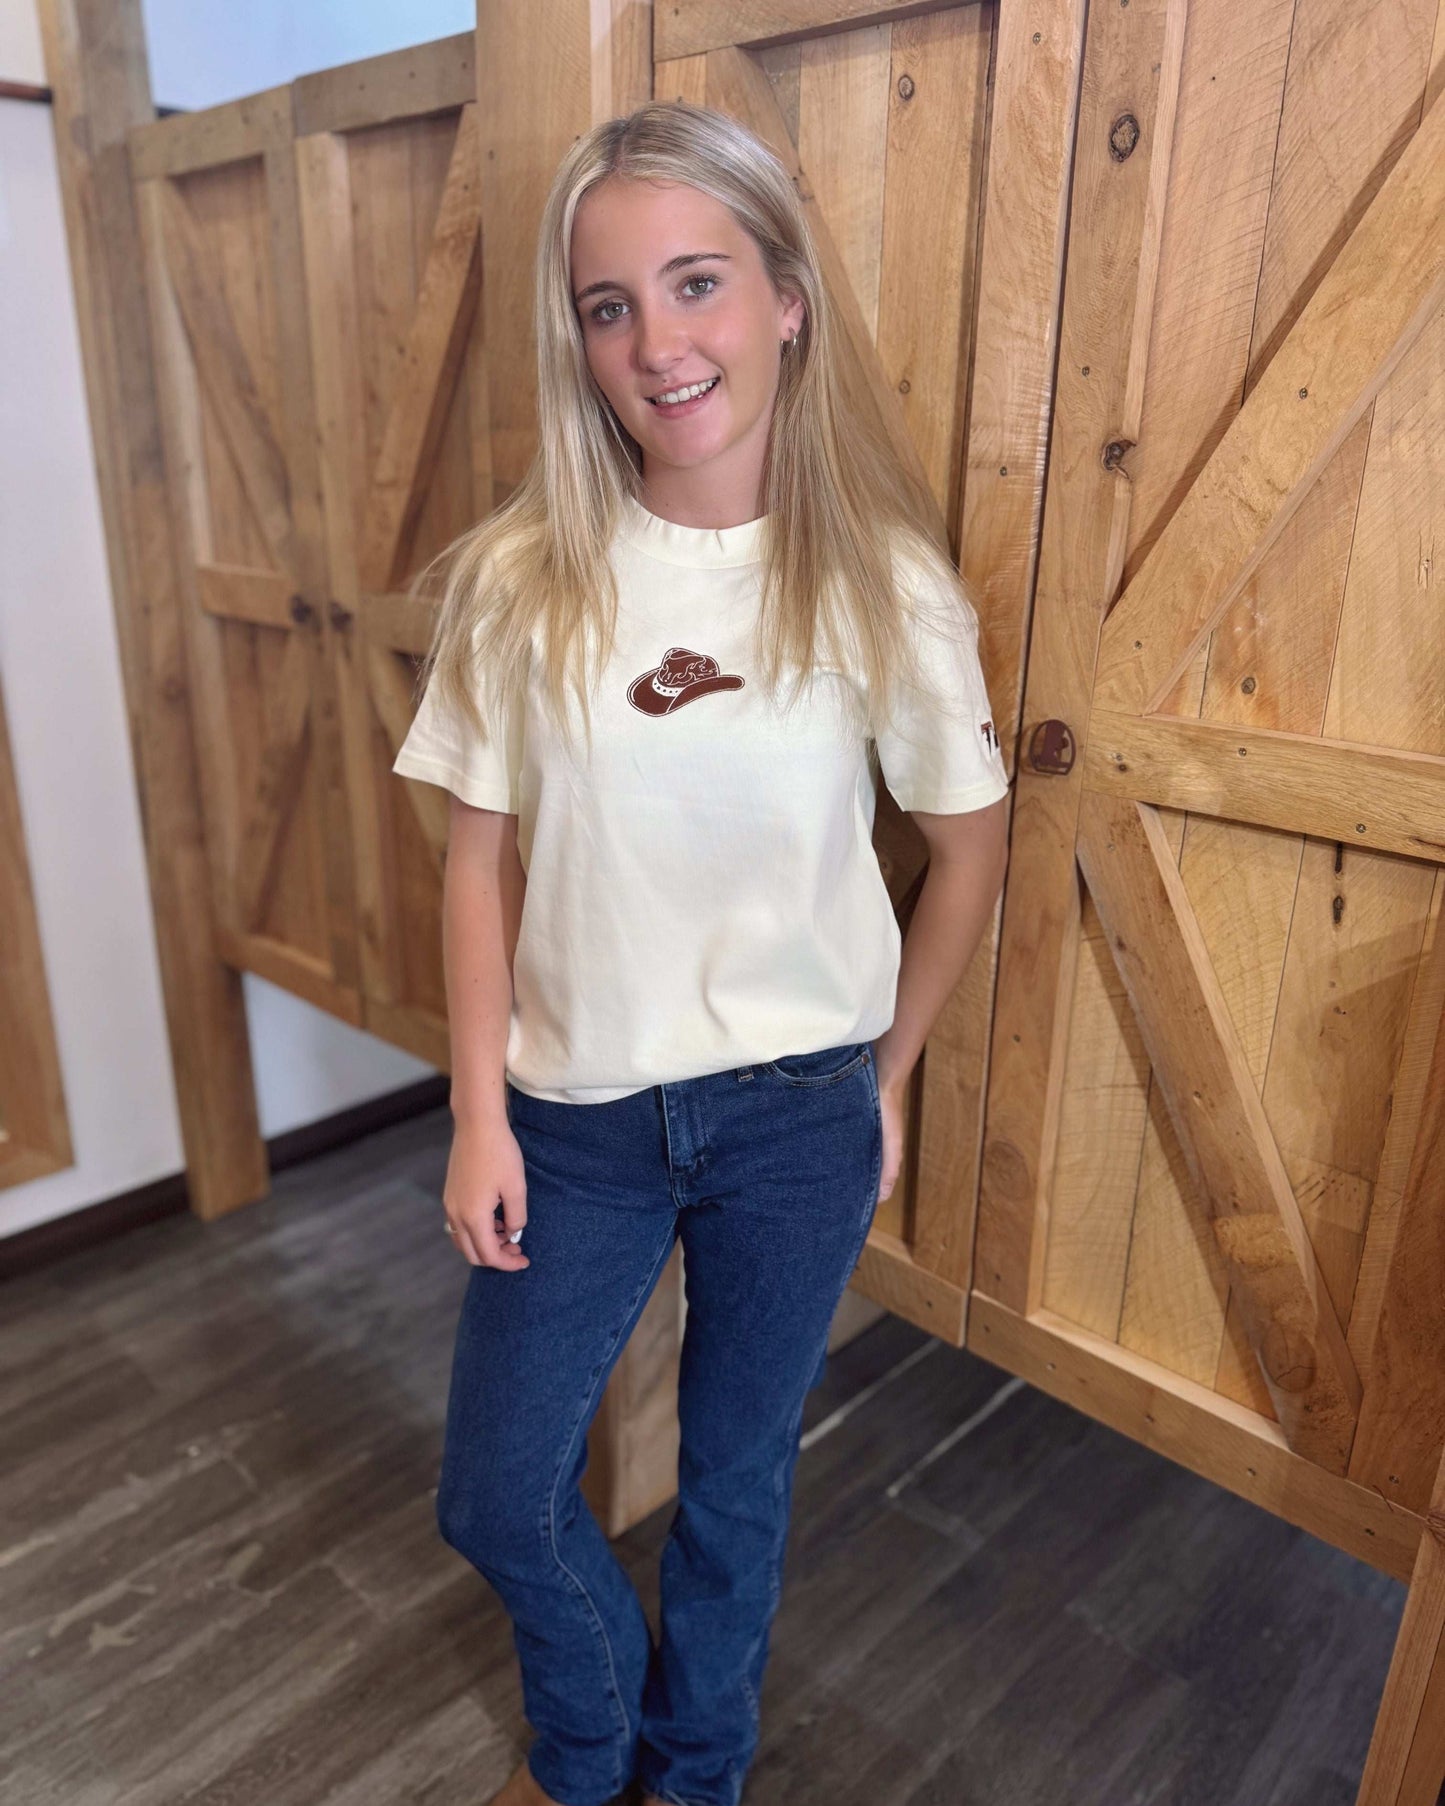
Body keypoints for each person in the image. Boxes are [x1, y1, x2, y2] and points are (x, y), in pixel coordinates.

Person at [390, 100, 1010, 1806]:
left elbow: (966, 854)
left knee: (735, 1492)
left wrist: (880, 1076)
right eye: (609, 305)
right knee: (498, 1493)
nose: (658, 342)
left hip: (792, 1117)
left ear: (784, 295)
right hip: (575, 1120)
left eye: (695, 283)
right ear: (576, 340)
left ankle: (696, 1774)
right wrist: (476, 1113)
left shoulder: (881, 585)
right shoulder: (525, 580)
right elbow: (477, 857)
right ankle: (588, 1755)